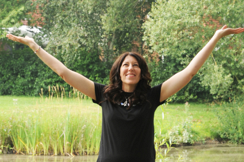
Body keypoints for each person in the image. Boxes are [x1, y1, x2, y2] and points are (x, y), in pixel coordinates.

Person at [6, 25, 244, 162]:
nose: (131, 68)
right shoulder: (104, 94)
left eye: (136, 65)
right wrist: (35, 46)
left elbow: (190, 71)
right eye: (126, 65)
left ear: (141, 72)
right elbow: (64, 72)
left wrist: (215, 37)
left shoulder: (153, 97)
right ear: (118, 71)